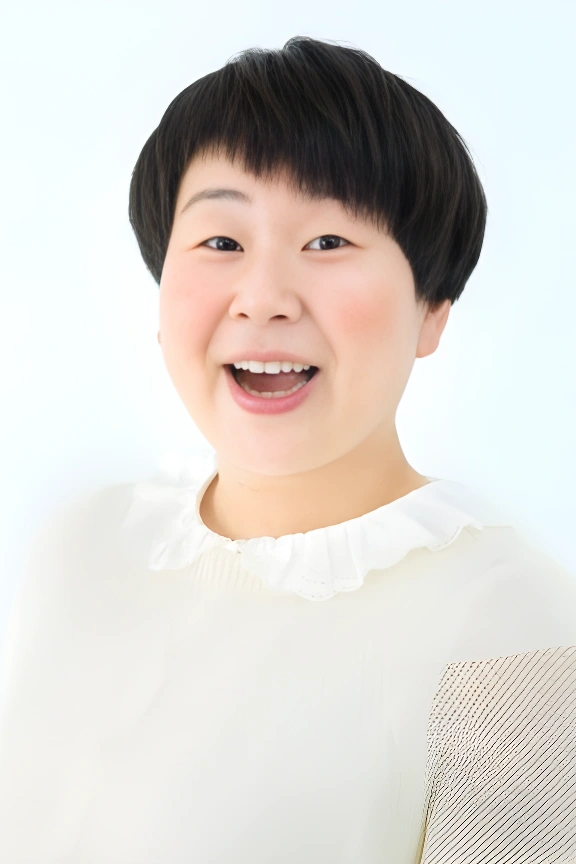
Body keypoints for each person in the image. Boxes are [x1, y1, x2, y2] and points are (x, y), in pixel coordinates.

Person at [1, 35, 575, 863]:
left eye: (328, 242)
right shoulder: (84, 542)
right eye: (221, 243)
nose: (263, 299)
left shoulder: (510, 633)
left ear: (432, 310)